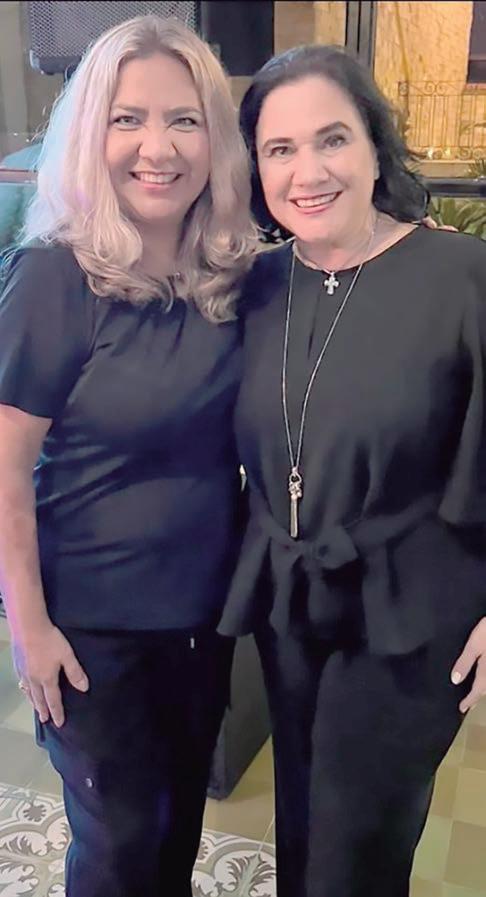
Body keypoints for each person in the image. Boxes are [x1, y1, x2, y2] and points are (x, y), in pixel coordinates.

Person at [218, 44, 486, 897]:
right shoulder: (255, 286)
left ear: (375, 145)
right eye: (280, 148)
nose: (308, 172)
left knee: (354, 850)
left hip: (414, 612)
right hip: (289, 605)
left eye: (332, 139)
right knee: (300, 822)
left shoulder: (463, 275)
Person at [0, 15, 256, 897]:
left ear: (215, 140)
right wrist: (29, 630)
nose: (159, 147)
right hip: (91, 631)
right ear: (90, 134)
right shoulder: (52, 277)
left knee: (176, 832)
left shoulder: (233, 276)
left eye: (185, 120)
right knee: (119, 849)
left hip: (203, 621)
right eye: (128, 119)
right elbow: (5, 475)